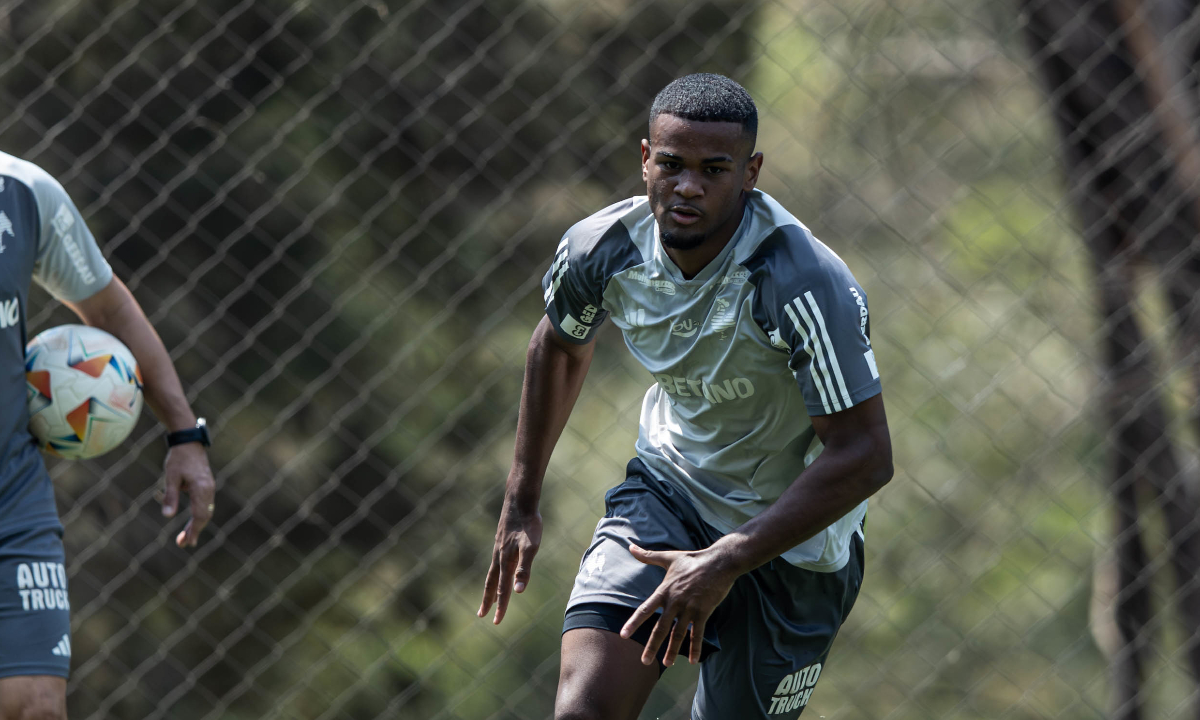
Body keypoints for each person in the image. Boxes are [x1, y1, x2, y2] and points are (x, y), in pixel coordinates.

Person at [478, 73, 893, 719]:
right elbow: (559, 344)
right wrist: (521, 502)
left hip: (793, 543)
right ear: (645, 158)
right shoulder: (600, 249)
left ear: (750, 172)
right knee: (584, 710)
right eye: (671, 164)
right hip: (669, 493)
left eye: (714, 169)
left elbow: (865, 454)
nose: (688, 186)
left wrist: (726, 559)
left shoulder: (800, 281)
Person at [0, 151, 216, 720]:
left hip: (10, 493)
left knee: (35, 707)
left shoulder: (23, 192)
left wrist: (182, 432)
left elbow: (108, 306)